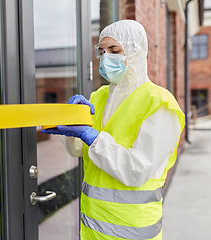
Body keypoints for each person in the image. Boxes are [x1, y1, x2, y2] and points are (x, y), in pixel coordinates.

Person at [41, 20, 185, 240]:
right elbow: (77, 150)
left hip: (133, 228)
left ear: (135, 51)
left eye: (114, 50)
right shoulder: (99, 97)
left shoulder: (159, 103)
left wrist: (93, 137)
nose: (106, 57)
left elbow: (136, 170)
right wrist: (72, 126)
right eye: (102, 51)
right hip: (92, 227)